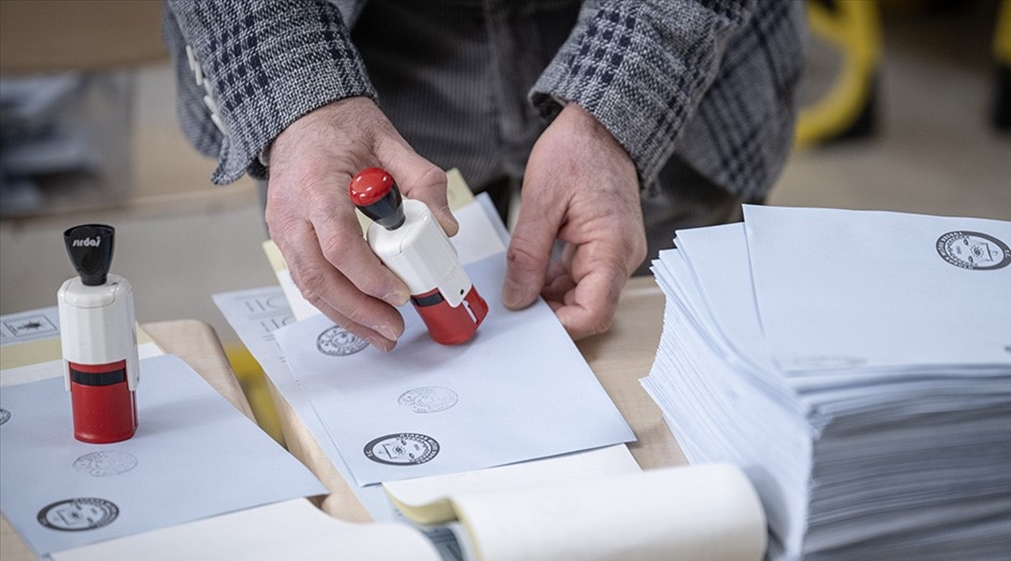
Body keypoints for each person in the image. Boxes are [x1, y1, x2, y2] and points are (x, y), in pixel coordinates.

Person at [162, 0, 805, 350]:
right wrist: (297, 97)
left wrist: (620, 100)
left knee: (668, 347)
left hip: (663, 46)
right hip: (351, 47)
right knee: (350, 282)